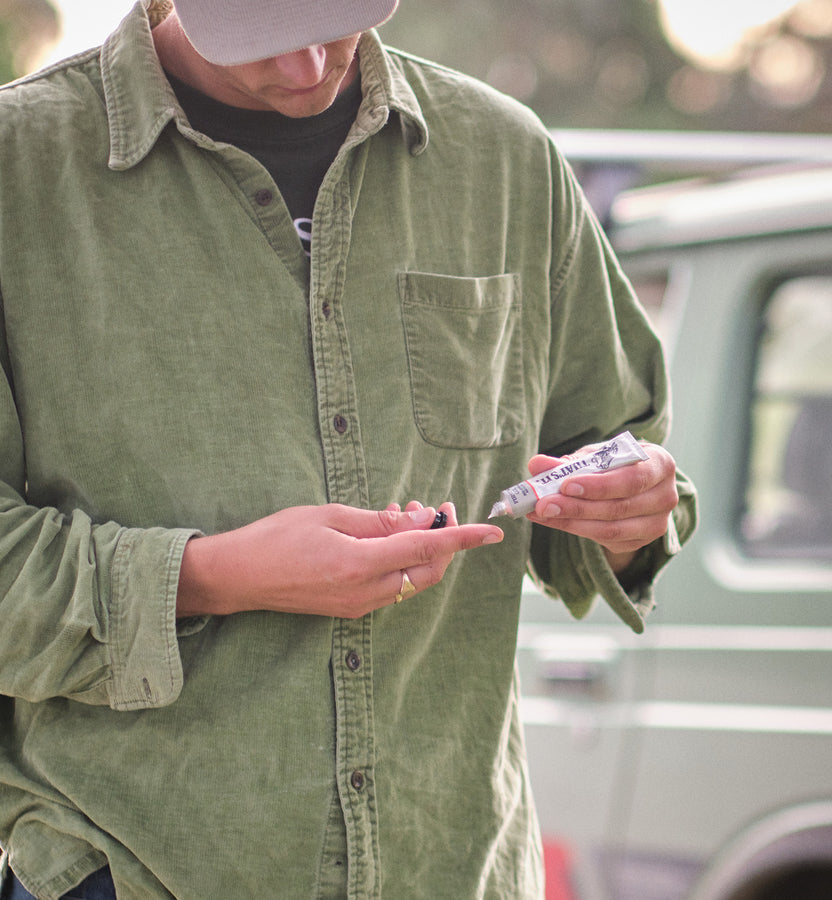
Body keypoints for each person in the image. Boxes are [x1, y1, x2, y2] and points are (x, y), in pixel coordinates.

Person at [0, 0, 697, 896]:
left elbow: (620, 452)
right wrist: (213, 576)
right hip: (132, 870)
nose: (308, 68)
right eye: (259, 38)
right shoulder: (20, 171)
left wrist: (633, 509)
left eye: (338, 18)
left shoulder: (504, 157)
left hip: (453, 864)